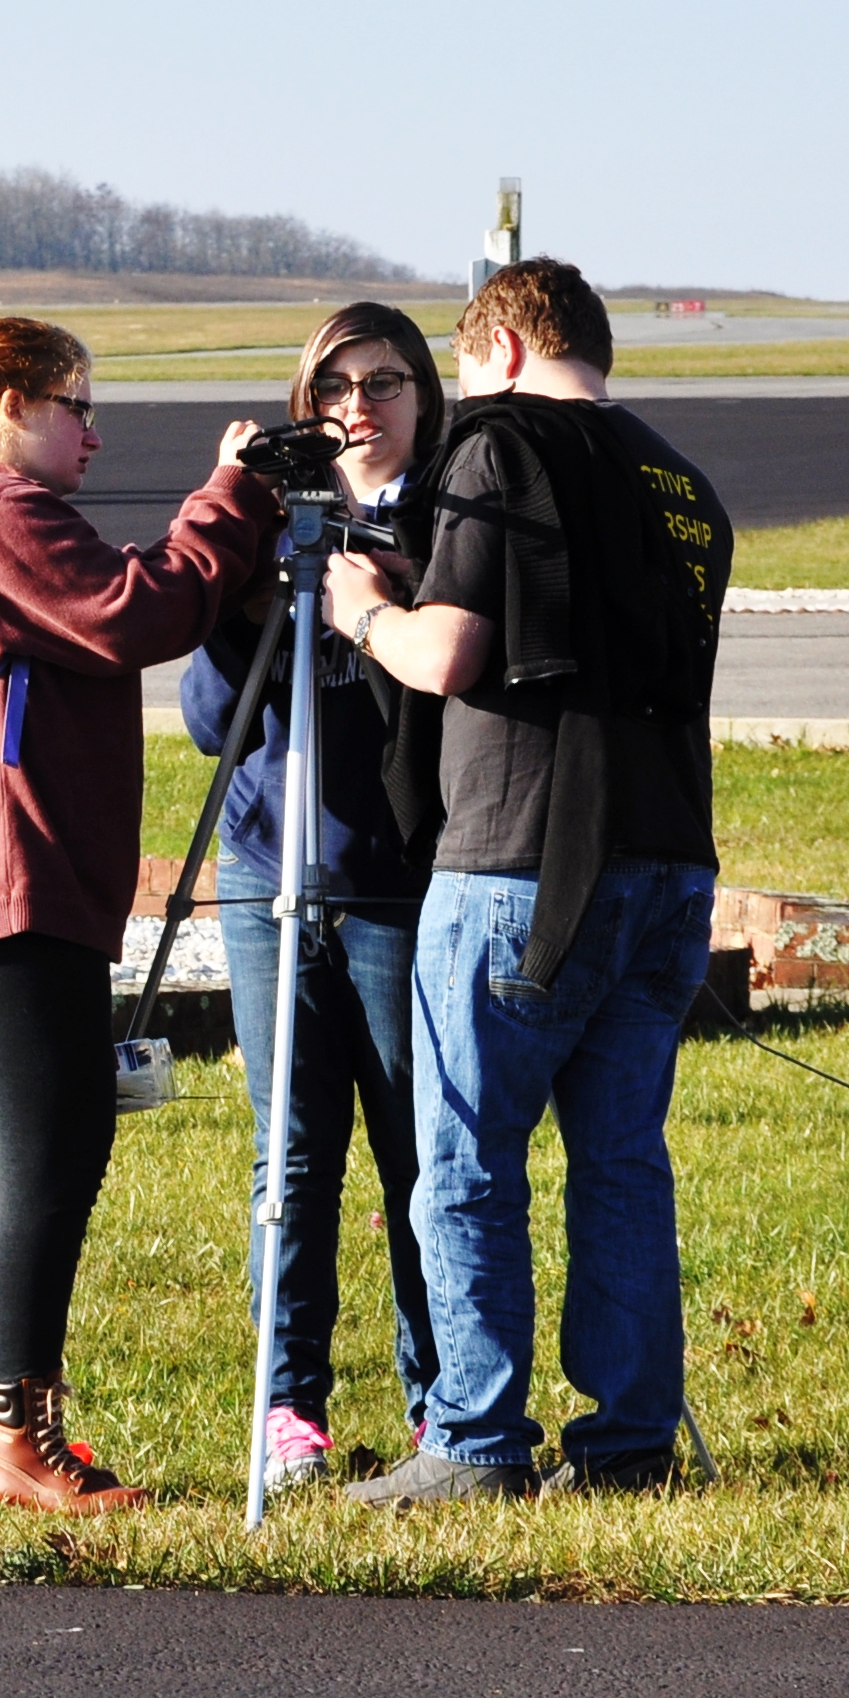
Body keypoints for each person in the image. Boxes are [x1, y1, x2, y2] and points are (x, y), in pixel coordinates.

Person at [330, 258, 734, 1505]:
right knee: (620, 1160)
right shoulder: (682, 480)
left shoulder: (495, 446)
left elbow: (452, 653)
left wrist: (362, 613)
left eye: (454, 371)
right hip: (666, 858)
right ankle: (627, 1442)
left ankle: (474, 1439)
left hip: (519, 858)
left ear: (499, 347)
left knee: (465, 1159)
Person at [0, 317, 278, 1514]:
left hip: (9, 867)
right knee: (57, 1154)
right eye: (76, 406)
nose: (94, 433)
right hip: (13, 870)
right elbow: (131, 612)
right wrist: (231, 496)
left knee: (21, 1157)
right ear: (6, 402)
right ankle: (22, 1440)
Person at [176, 303, 447, 1497]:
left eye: (387, 381)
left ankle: (446, 1403)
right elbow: (204, 727)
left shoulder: (453, 520)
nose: (360, 407)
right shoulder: (275, 528)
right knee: (289, 1157)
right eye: (335, 385)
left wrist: (383, 605)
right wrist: (245, 599)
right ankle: (288, 1407)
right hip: (266, 873)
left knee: (417, 1153)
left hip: (396, 879)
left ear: (426, 397)